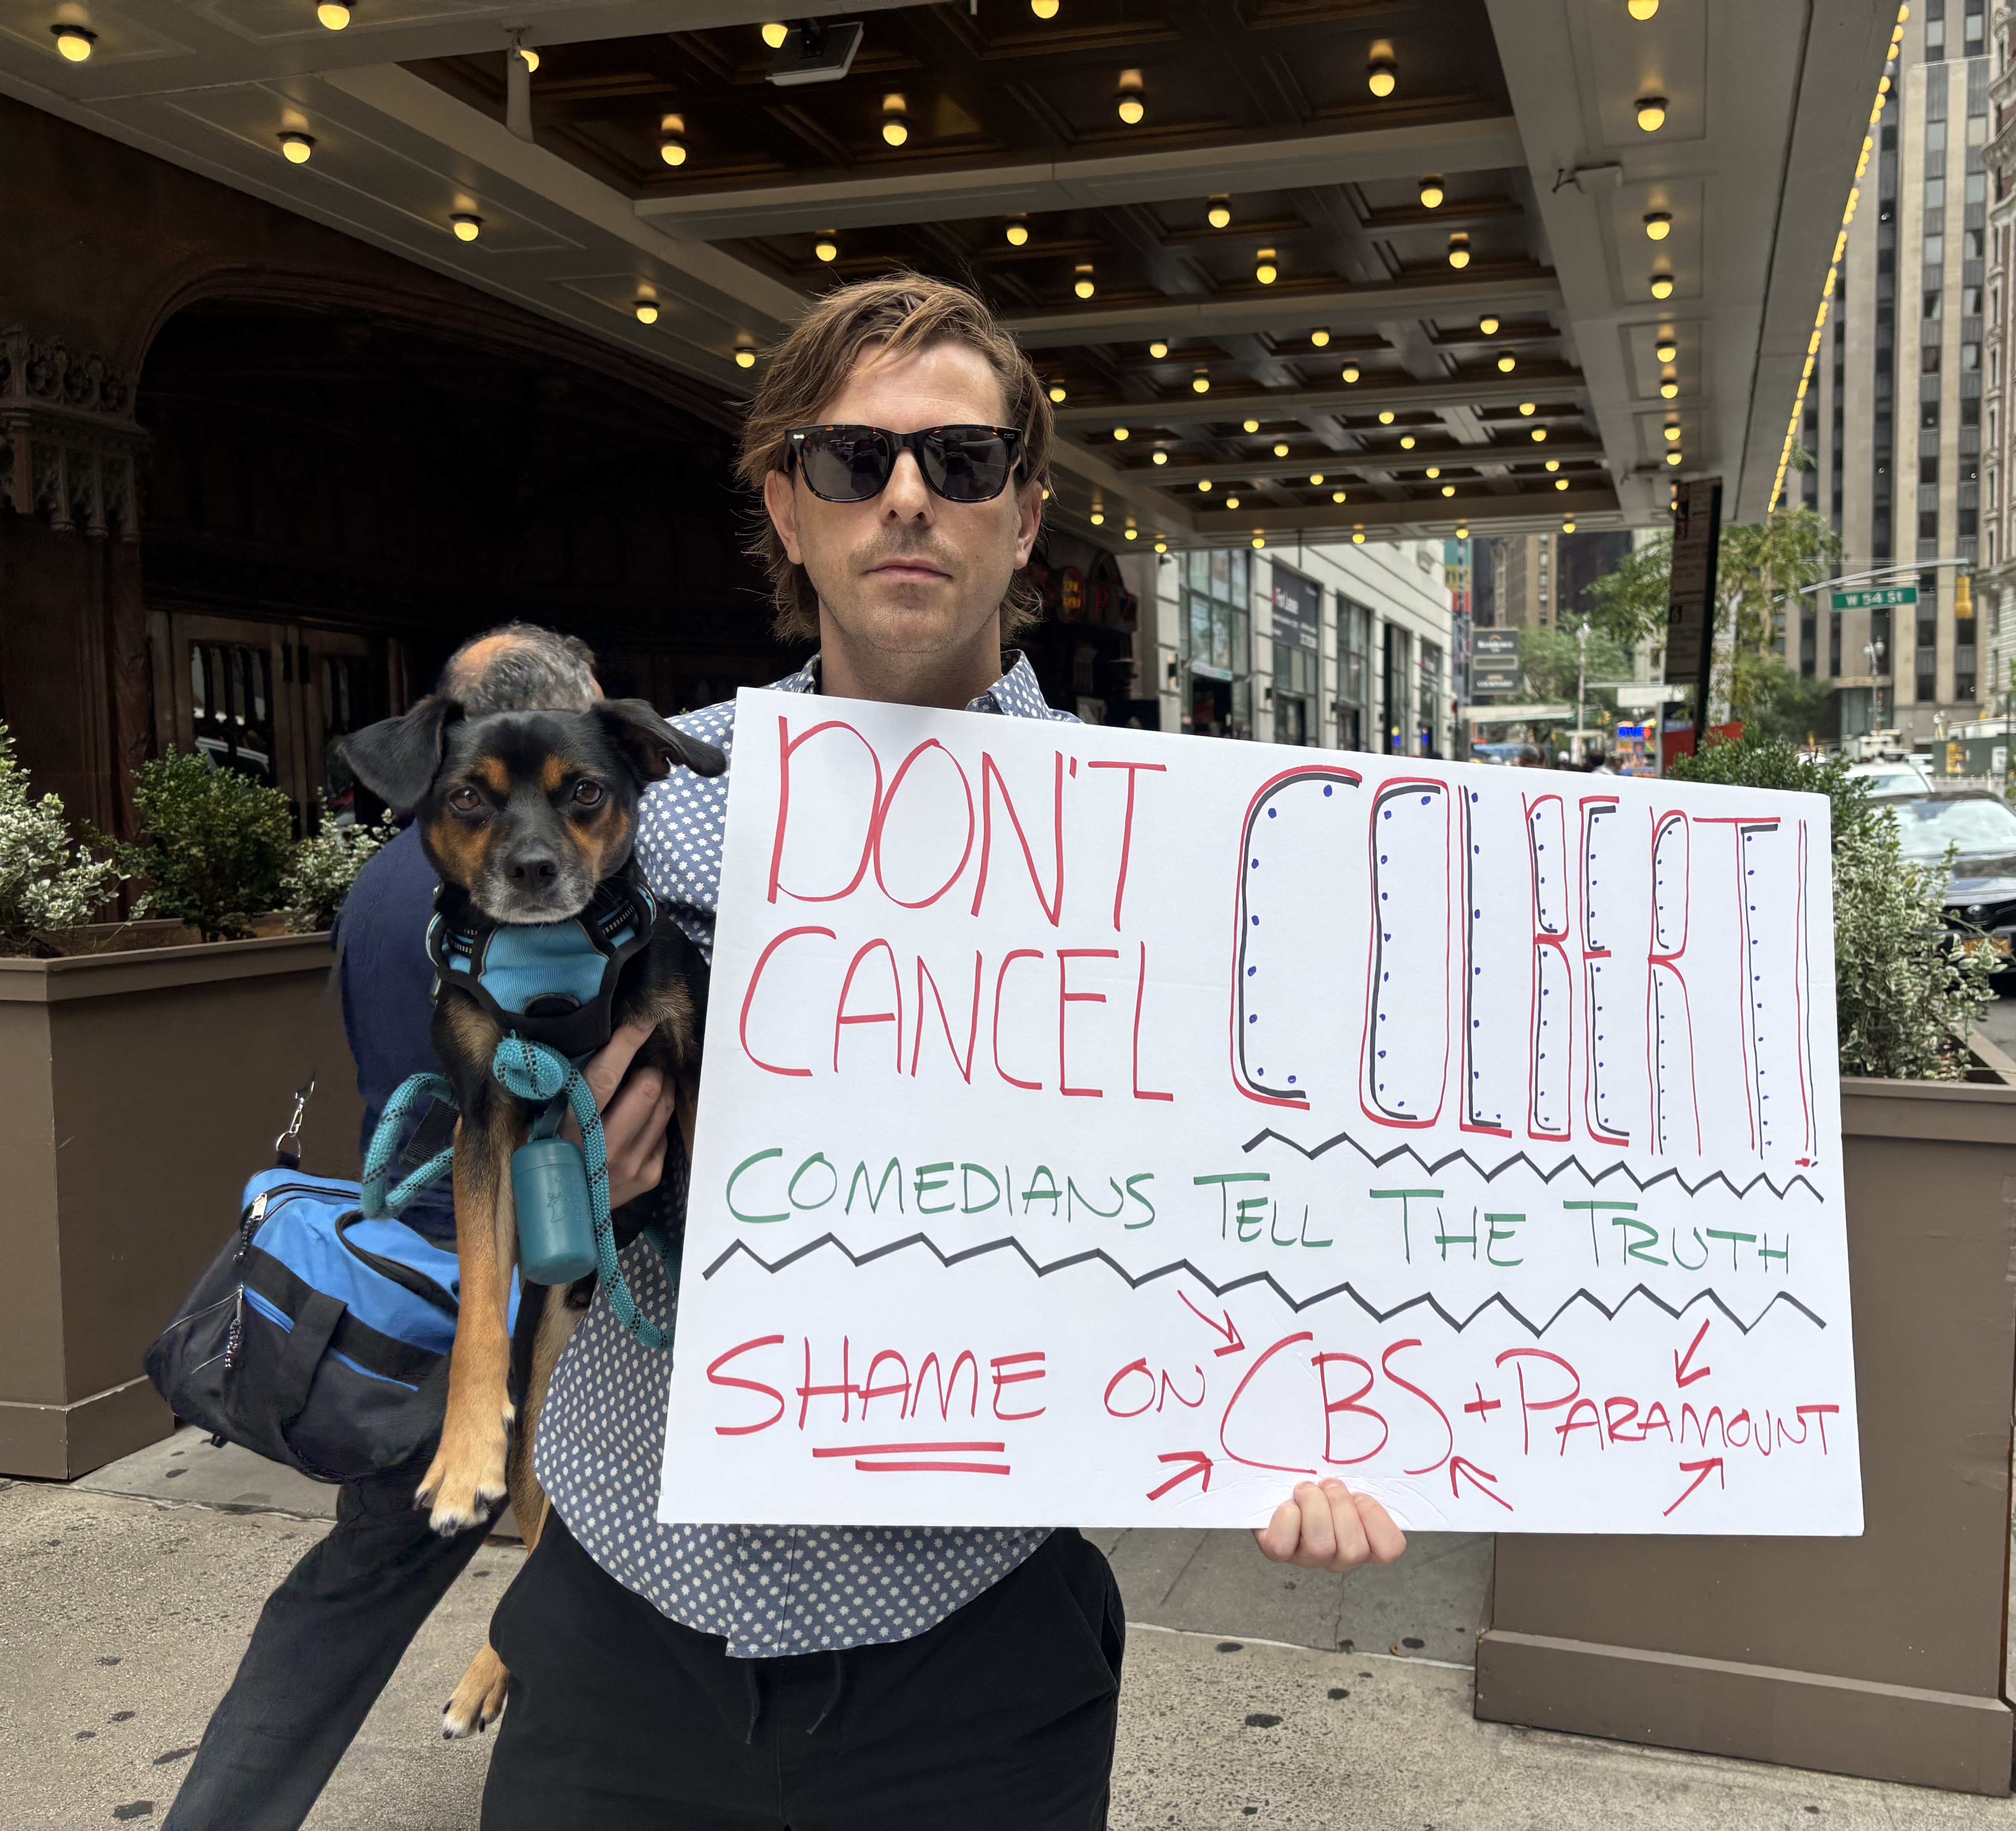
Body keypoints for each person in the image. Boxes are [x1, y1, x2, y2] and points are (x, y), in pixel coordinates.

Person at [479, 275, 1408, 1831]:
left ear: (1026, 516)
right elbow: (485, 1107)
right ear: (789, 508)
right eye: (855, 459)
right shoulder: (640, 805)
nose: (907, 496)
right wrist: (553, 1164)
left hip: (974, 1655)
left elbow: (1276, 1183)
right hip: (627, 1611)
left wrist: (1326, 1417)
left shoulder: (1175, 846)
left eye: (961, 461)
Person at [168, 625, 678, 1831]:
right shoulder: (566, 907)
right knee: (562, 1561)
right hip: (509, 1283)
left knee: (356, 1594)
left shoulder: (391, 880)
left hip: (398, 1282)